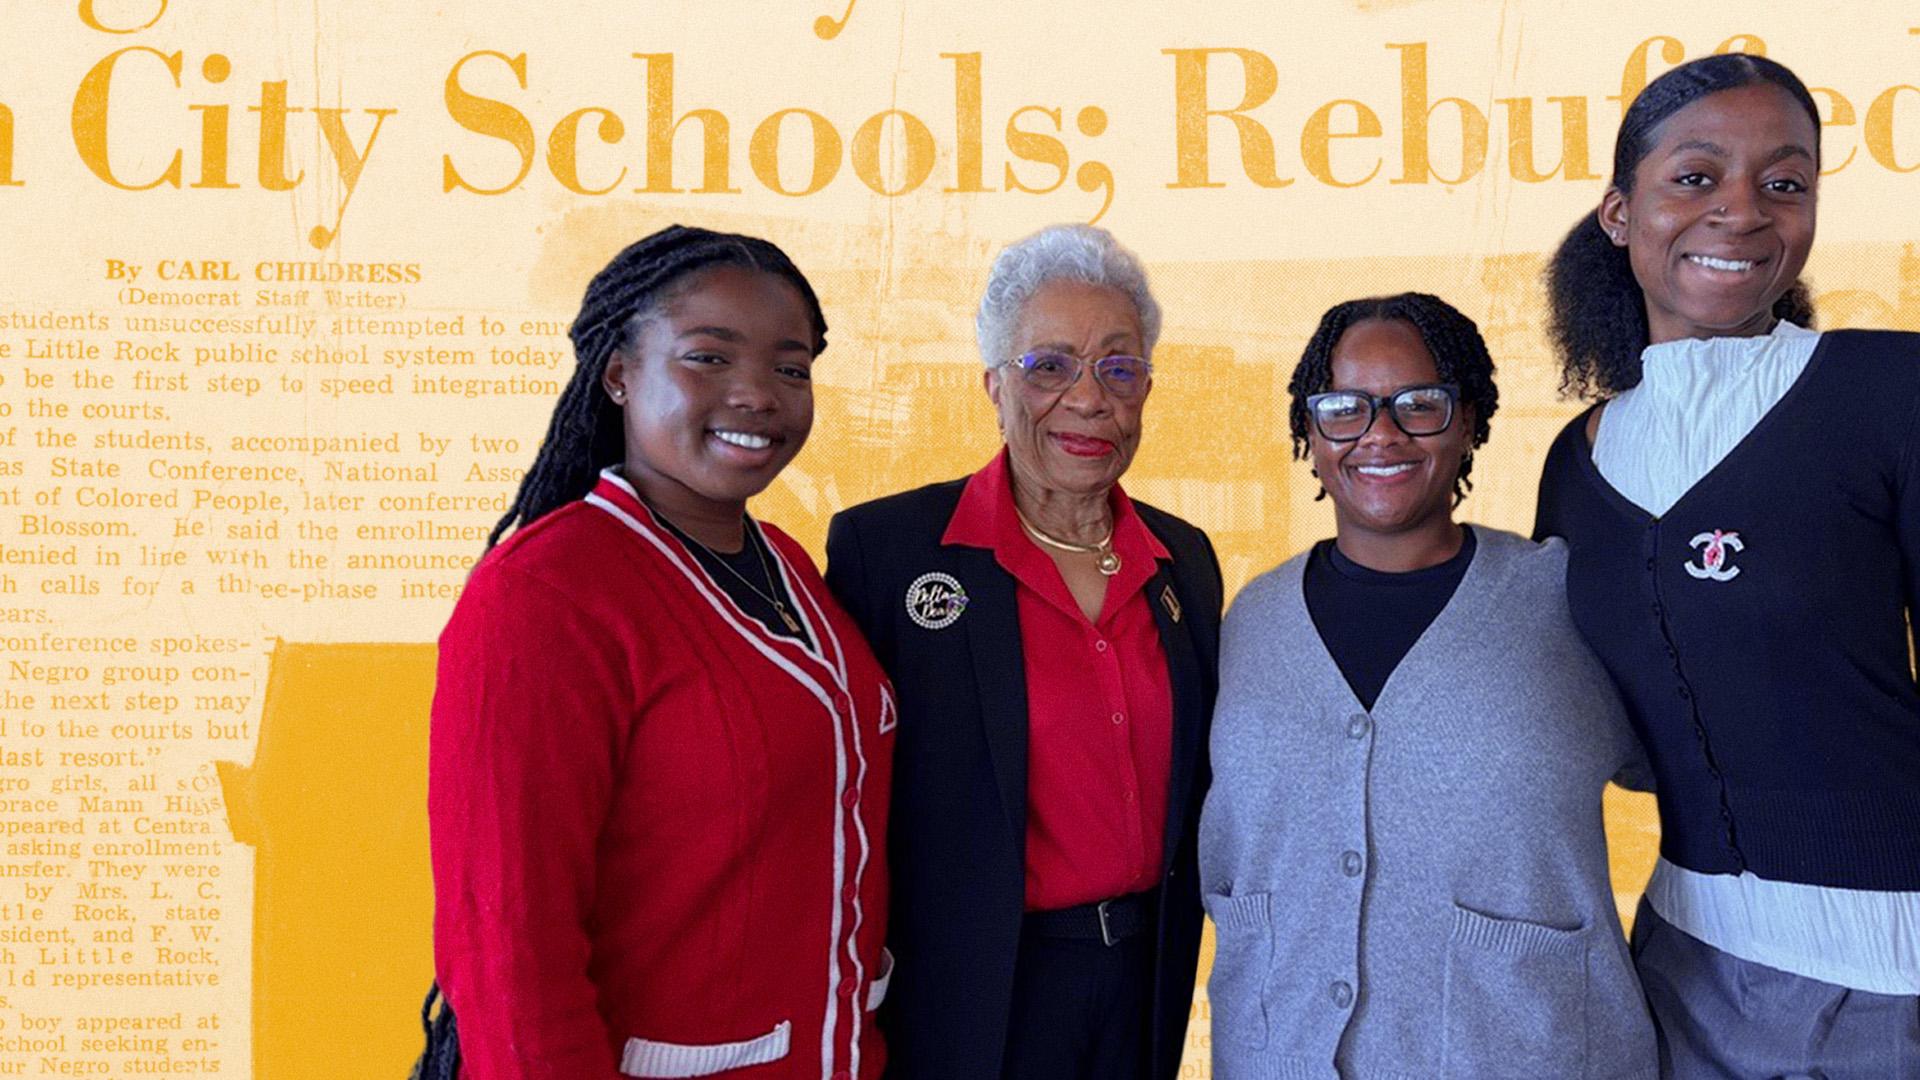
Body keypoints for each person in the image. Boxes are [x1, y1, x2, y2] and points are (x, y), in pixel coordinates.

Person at [427, 225, 895, 1079]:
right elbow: (504, 948)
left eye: (791, 369)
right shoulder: (545, 595)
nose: (758, 394)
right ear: (618, 374)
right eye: (709, 358)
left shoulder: (789, 565)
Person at [1535, 52, 1920, 1078]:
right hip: (1677, 973)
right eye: (1696, 178)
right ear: (1621, 213)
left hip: (1892, 985)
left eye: (1784, 183)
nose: (1742, 212)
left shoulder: (1892, 393)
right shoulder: (1577, 462)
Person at [1201, 293, 1657, 1079]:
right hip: (1279, 1052)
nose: (1381, 433)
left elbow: (1699, 764)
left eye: (1420, 404)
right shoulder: (1250, 621)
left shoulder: (1567, 601)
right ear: (1309, 431)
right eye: (1344, 408)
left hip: (1526, 1053)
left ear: (1471, 419)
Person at [824, 224, 1221, 1080]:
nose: (1089, 399)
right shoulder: (889, 552)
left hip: (1144, 979)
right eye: (1049, 367)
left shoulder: (1182, 558)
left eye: (1119, 368)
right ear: (994, 387)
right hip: (970, 990)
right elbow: (839, 799)